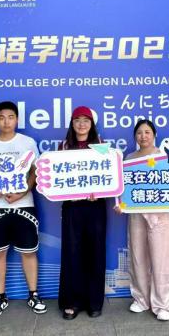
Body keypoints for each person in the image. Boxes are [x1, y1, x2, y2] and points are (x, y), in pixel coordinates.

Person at [0, 101, 47, 318]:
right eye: (1, 117)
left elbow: (36, 171)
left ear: (17, 119)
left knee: (29, 252)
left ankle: (33, 294)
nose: (6, 121)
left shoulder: (27, 143)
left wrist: (23, 191)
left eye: (10, 117)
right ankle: (0, 297)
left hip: (24, 205)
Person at [119, 119, 169, 321]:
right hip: (136, 214)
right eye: (139, 133)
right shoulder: (129, 159)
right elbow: (123, 188)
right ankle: (141, 299)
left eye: (147, 132)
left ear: (154, 135)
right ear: (135, 136)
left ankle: (163, 305)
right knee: (138, 256)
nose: (143, 136)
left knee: (161, 258)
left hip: (159, 213)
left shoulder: (165, 157)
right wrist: (120, 203)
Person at [58, 106, 107, 320]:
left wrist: (100, 191)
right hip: (72, 207)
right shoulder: (63, 146)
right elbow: (57, 179)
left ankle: (94, 302)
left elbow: (108, 176)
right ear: (72, 123)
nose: (81, 124)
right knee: (72, 253)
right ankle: (72, 302)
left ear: (92, 124)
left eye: (86, 120)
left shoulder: (101, 146)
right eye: (77, 120)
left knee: (95, 252)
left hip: (95, 206)